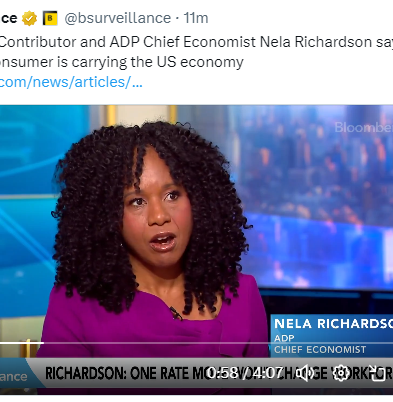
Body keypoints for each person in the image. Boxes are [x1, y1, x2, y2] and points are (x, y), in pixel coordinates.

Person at [37, 121, 269, 394]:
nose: (159, 216)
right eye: (137, 201)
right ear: (107, 217)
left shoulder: (242, 294)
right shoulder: (76, 304)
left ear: (199, 200)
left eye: (172, 195)